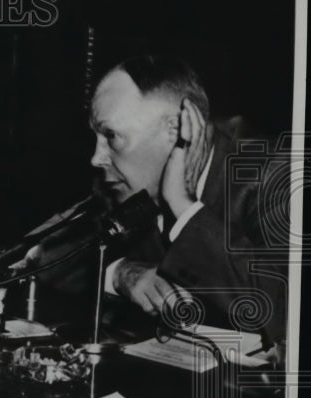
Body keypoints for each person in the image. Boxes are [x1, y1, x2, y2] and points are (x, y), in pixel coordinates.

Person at [89, 55, 289, 345]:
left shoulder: (275, 176)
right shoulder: (120, 181)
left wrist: (183, 207)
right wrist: (121, 274)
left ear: (177, 130)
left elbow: (285, 315)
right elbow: (41, 253)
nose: (96, 158)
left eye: (111, 135)